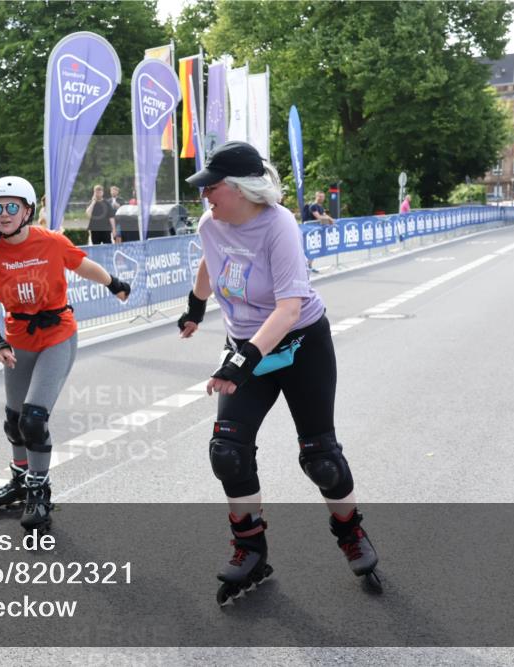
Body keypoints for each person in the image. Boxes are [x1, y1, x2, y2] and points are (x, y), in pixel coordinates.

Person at [177, 141, 380, 604]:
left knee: (321, 459)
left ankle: (350, 531)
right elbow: (211, 261)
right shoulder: (213, 222)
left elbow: (289, 308)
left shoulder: (279, 225)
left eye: (212, 186)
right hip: (248, 349)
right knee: (227, 451)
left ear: (240, 189)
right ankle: (250, 548)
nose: (204, 194)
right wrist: (195, 306)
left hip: (300, 345)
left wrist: (241, 359)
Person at [0, 176, 130, 531]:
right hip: (18, 340)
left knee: (32, 420)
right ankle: (19, 479)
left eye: (12, 206)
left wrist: (113, 283)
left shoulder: (52, 242)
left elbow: (81, 263)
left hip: (57, 335)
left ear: (27, 210)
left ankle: (39, 490)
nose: (3, 214)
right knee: (13, 421)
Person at [301, 191, 334, 273]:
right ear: (316, 196)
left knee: (314, 249)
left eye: (323, 197)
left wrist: (331, 219)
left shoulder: (320, 207)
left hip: (315, 232)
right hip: (308, 231)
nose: (321, 198)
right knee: (307, 249)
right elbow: (319, 217)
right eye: (320, 197)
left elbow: (324, 215)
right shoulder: (313, 206)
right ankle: (303, 267)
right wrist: (329, 220)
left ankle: (309, 266)